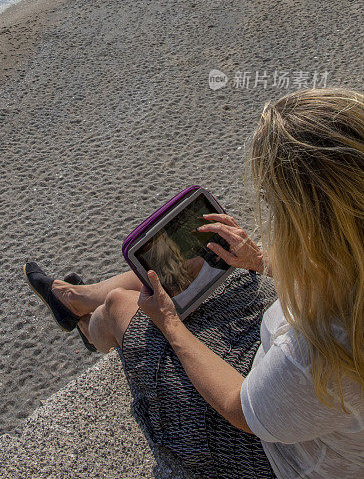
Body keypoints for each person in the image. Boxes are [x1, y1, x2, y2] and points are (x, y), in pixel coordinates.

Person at [25, 88, 364, 479]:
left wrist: (169, 324)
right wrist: (259, 261)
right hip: (302, 405)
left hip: (276, 457)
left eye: (273, 202)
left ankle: (84, 319)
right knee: (174, 270)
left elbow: (239, 408)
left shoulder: (319, 354)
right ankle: (76, 299)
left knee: (123, 305)